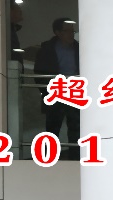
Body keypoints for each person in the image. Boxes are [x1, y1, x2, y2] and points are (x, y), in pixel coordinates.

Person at [33, 18, 81, 158]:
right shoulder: (46, 49)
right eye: (68, 31)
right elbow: (39, 73)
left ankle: (75, 159)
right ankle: (49, 159)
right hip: (55, 92)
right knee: (53, 128)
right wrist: (48, 92)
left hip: (75, 91)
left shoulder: (79, 49)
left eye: (73, 31)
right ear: (58, 32)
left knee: (76, 129)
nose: (71, 34)